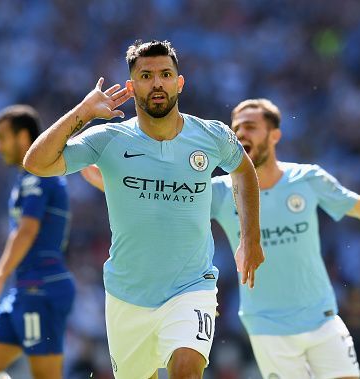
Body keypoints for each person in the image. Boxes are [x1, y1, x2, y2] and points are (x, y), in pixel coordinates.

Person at [81, 98, 360, 379]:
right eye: (236, 127)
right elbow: (151, 201)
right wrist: (101, 165)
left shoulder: (308, 179)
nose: (241, 133)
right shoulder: (218, 190)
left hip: (321, 318)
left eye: (251, 126)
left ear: (275, 135)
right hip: (267, 326)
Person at [22, 40, 264, 379]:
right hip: (127, 297)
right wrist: (83, 113)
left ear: (180, 82)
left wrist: (250, 238)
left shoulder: (212, 136)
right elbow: (36, 162)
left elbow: (243, 170)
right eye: (146, 75)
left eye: (166, 74)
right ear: (133, 86)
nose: (157, 83)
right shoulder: (109, 139)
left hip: (191, 287)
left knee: (186, 370)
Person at [0, 105, 75, 379]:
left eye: (1, 138)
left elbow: (27, 230)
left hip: (42, 289)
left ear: (22, 138)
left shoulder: (41, 175)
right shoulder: (26, 178)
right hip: (23, 288)